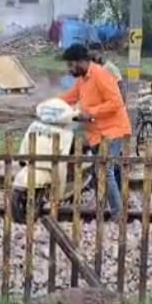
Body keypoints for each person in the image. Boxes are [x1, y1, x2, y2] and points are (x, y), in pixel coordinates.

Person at [60, 43, 132, 218]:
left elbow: (116, 103)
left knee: (104, 170)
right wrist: (49, 105)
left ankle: (118, 214)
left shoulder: (101, 74)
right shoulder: (82, 80)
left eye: (71, 65)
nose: (69, 69)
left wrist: (90, 113)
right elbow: (70, 96)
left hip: (112, 130)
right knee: (104, 171)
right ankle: (110, 203)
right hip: (96, 132)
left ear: (80, 61)